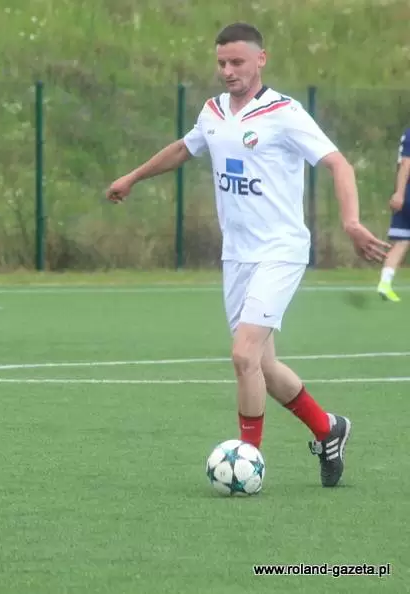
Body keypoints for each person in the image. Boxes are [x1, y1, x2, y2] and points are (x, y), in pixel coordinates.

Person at [105, 22, 389, 488]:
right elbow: (184, 148)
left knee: (242, 355)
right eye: (221, 62)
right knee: (264, 366)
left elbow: (338, 163)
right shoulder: (213, 111)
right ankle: (328, 429)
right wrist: (132, 177)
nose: (228, 71)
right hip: (236, 255)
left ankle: (246, 459)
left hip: (280, 250)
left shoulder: (284, 113)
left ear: (261, 59)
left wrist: (351, 222)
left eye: (237, 62)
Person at [376, 128, 410, 302]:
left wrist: (399, 193)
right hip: (406, 193)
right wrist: (399, 193)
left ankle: (385, 283)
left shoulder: (407, 132)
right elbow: (406, 163)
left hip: (406, 194)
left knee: (402, 241)